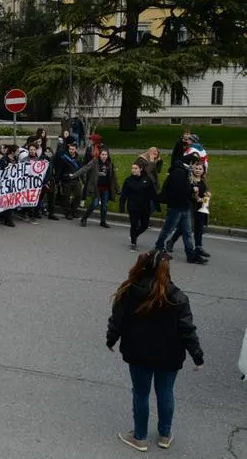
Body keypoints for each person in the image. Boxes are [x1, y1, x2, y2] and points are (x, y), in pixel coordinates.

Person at [106, 249, 204, 452]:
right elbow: (187, 329)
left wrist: (111, 340)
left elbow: (117, 321)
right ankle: (164, 435)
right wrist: (197, 356)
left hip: (138, 352)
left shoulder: (129, 291)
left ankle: (139, 437)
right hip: (170, 355)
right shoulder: (177, 297)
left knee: (141, 393)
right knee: (166, 392)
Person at [154, 154, 202, 264]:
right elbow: (177, 190)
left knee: (187, 232)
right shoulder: (179, 172)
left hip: (184, 206)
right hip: (176, 206)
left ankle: (191, 255)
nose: (195, 168)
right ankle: (158, 248)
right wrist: (192, 190)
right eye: (194, 165)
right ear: (190, 163)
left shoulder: (183, 171)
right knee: (168, 230)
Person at [119, 163, 157, 252]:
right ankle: (133, 243)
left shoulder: (147, 180)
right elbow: (124, 195)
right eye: (132, 168)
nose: (133, 170)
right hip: (133, 207)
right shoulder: (128, 181)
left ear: (140, 169)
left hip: (145, 207)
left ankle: (134, 235)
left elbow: (152, 193)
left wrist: (156, 204)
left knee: (145, 225)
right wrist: (122, 206)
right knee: (134, 224)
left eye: (135, 168)